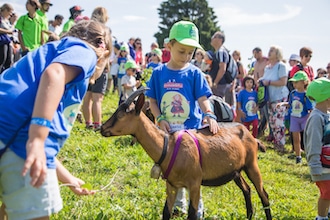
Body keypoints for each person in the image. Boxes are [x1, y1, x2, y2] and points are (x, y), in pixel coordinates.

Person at [0, 20, 111, 219]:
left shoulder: (56, 51)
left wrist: (67, 178)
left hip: (10, 131)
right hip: (19, 136)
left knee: (10, 206)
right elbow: (54, 74)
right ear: (103, 52)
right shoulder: (85, 52)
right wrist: (37, 139)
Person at [146, 20, 219, 219]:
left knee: (193, 172)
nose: (187, 57)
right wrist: (159, 117)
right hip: (167, 132)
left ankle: (197, 206)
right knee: (170, 168)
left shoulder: (195, 73)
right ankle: (177, 204)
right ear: (169, 46)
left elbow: (203, 98)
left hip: (191, 133)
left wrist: (209, 114)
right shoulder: (159, 73)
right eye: (182, 51)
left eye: (191, 52)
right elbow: (152, 99)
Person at [304, 78, 330, 220]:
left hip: (329, 164)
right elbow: (313, 143)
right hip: (322, 167)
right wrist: (314, 165)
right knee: (326, 194)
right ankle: (321, 217)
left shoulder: (326, 115)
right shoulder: (316, 118)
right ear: (327, 97)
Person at [82, 6, 110, 130]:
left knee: (87, 96)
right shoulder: (105, 30)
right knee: (97, 98)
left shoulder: (88, 28)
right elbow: (109, 49)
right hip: (101, 66)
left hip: (89, 64)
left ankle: (88, 123)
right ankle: (97, 125)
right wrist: (107, 63)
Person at [278, 71, 313, 163]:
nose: (294, 84)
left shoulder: (307, 95)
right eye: (293, 82)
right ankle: (298, 157)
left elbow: (310, 108)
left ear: (304, 82)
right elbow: (290, 104)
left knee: (307, 139)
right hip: (294, 118)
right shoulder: (293, 93)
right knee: (296, 139)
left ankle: (310, 155)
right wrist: (282, 104)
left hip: (304, 118)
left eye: (296, 82)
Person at [259, 45, 289, 152]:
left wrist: (269, 82)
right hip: (269, 99)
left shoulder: (281, 66)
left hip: (279, 98)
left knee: (279, 122)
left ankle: (281, 145)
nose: (269, 52)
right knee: (272, 122)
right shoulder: (268, 67)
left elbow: (283, 82)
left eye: (272, 51)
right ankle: (277, 143)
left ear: (277, 54)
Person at [209, 31, 235, 107]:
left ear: (220, 40)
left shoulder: (221, 51)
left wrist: (215, 82)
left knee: (219, 105)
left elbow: (222, 68)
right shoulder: (219, 51)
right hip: (221, 84)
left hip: (221, 85)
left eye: (214, 37)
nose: (212, 38)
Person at [252, 47, 271, 139]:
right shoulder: (255, 63)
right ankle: (262, 130)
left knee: (268, 110)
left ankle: (271, 132)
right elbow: (255, 75)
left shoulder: (267, 61)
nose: (255, 56)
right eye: (253, 54)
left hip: (267, 86)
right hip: (259, 88)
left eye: (256, 54)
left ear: (260, 52)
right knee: (262, 110)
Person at [0, 3, 14, 73]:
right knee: (1, 60)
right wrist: (7, 31)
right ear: (5, 10)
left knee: (8, 61)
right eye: (10, 12)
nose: (10, 14)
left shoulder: (7, 21)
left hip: (7, 42)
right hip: (1, 42)